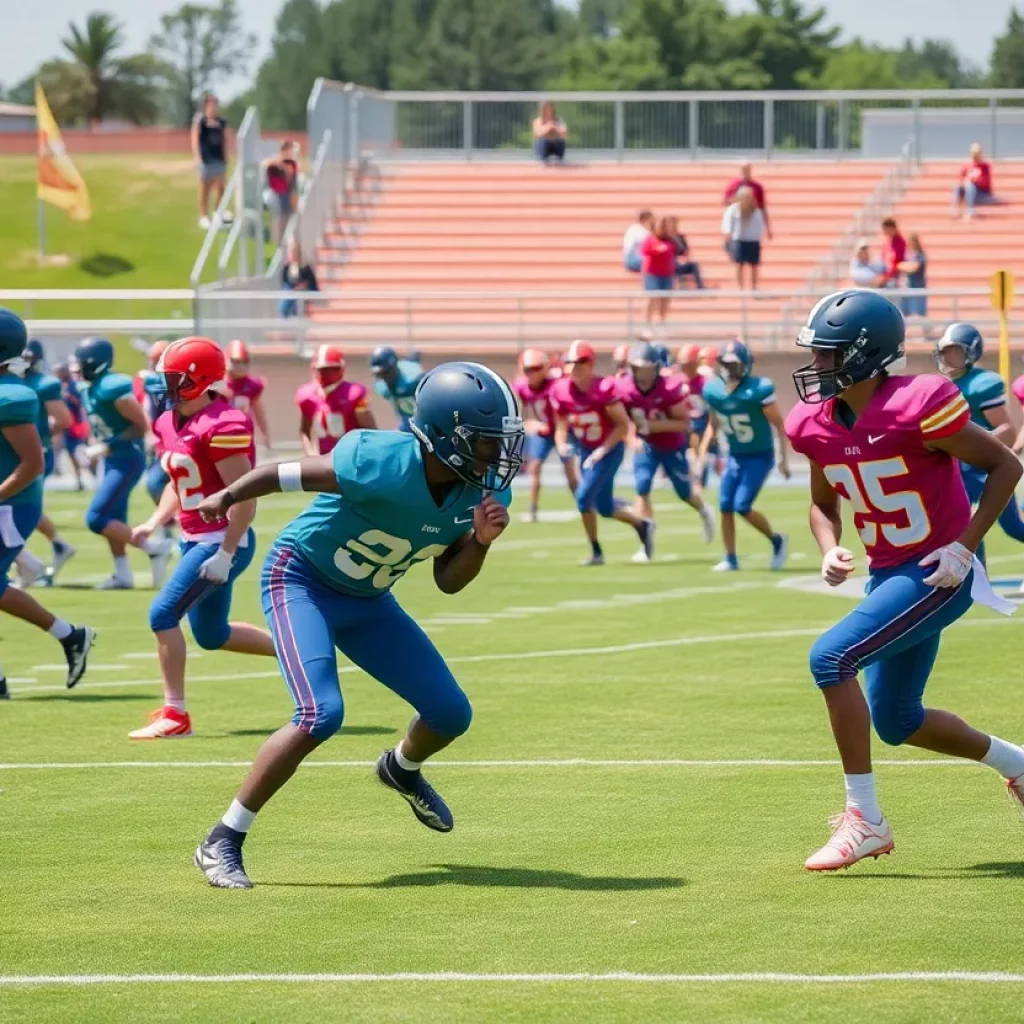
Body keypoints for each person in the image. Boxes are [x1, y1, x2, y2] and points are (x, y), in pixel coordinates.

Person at [192, 362, 524, 889]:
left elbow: (449, 581)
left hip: (368, 598)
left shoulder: (482, 496)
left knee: (450, 713)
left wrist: (480, 542)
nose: (497, 456)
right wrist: (228, 497)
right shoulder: (382, 459)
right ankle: (224, 837)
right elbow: (285, 474)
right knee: (320, 714)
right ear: (441, 436)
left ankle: (401, 768)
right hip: (299, 579)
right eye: (484, 442)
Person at [785, 289, 1024, 872]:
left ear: (865, 356)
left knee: (830, 658)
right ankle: (1018, 764)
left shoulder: (920, 402)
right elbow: (822, 503)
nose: (816, 367)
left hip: (939, 572)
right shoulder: (813, 423)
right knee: (897, 720)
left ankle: (864, 819)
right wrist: (830, 546)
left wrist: (965, 548)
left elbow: (1005, 464)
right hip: (891, 574)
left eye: (828, 354)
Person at [129, 337, 276, 740]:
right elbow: (179, 483)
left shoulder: (222, 423)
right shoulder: (167, 421)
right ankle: (298, 653)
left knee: (162, 615)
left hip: (222, 539)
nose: (164, 386)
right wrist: (155, 521)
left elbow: (244, 497)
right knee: (212, 635)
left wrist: (227, 552)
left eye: (173, 378)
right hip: (195, 539)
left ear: (197, 380)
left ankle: (176, 716)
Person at [0, 311, 94, 699]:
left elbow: (33, 463)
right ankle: (69, 636)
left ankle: (70, 635)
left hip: (12, 504)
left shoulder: (12, 395)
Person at [76, 337, 174, 590]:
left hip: (127, 459)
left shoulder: (113, 386)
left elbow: (141, 425)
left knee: (96, 518)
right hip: (111, 459)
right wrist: (93, 445)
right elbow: (99, 425)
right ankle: (123, 574)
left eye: (82, 363)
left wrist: (107, 445)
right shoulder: (89, 388)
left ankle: (154, 548)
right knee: (114, 517)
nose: (78, 368)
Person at [551, 340, 654, 566]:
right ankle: (642, 524)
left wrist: (601, 451)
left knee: (583, 498)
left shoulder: (604, 389)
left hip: (609, 448)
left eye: (580, 362)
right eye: (570, 362)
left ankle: (596, 551)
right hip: (587, 448)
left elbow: (622, 425)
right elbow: (560, 425)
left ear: (591, 364)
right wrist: (561, 445)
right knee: (605, 508)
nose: (575, 367)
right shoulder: (560, 390)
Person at [934, 322, 1024, 565]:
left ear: (971, 352)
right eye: (946, 351)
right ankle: (974, 577)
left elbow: (1006, 430)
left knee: (1014, 527)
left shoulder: (981, 385)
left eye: (955, 351)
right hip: (958, 469)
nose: (949, 357)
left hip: (985, 469)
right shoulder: (941, 384)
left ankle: (974, 575)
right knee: (963, 523)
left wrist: (975, 447)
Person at [618, 341, 715, 560]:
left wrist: (653, 426)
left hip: (672, 444)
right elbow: (622, 420)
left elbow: (684, 424)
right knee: (642, 487)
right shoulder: (624, 387)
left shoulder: (670, 387)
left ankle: (704, 510)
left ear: (655, 367)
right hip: (646, 444)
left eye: (647, 368)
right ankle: (646, 538)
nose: (643, 374)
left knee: (684, 492)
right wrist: (632, 437)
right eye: (638, 368)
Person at [699, 340, 790, 572]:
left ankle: (776, 539)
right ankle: (730, 558)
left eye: (735, 364)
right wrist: (702, 452)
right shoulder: (713, 389)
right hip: (735, 455)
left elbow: (780, 426)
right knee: (725, 506)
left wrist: (783, 459)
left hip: (759, 455)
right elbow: (713, 423)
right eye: (726, 364)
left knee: (742, 505)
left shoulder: (758, 389)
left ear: (746, 365)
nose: (730, 369)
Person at [14, 339, 74, 587]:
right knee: (19, 507)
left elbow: (63, 419)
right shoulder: (17, 382)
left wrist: (40, 434)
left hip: (32, 454)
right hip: (15, 452)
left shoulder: (42, 384)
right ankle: (56, 547)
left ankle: (28, 563)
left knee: (14, 507)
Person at [512, 348, 578, 523]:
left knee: (570, 471)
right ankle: (533, 507)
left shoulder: (555, 386)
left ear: (544, 368)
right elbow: (524, 410)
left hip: (561, 430)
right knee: (535, 468)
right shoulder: (521, 386)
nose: (531, 374)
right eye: (528, 369)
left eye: (535, 368)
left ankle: (582, 504)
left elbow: (563, 413)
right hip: (543, 432)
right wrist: (530, 422)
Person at [296, 345, 375, 456]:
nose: (326, 374)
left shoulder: (354, 394)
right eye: (322, 369)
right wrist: (312, 455)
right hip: (324, 458)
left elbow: (370, 432)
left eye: (331, 369)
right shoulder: (307, 396)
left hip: (352, 456)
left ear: (340, 369)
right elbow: (305, 432)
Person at [134, 340, 173, 515]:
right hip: (160, 442)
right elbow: (146, 409)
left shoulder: (181, 381)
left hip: (182, 441)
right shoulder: (149, 382)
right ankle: (167, 521)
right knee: (154, 484)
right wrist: (150, 433)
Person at [191, 94, 231, 231]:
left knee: (220, 187)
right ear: (206, 105)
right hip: (206, 158)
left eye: (215, 104)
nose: (214, 106)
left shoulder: (221, 122)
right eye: (211, 104)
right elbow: (195, 138)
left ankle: (217, 212)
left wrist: (226, 154)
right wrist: (197, 156)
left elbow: (225, 139)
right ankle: (203, 216)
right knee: (205, 188)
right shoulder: (201, 120)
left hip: (219, 158)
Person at [224, 340, 272, 450]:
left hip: (243, 434)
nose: (240, 366)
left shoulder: (251, 385)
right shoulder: (217, 383)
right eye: (236, 362)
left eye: (244, 362)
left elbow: (258, 412)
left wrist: (265, 435)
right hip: (220, 434)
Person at [721, 187, 767, 291]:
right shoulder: (733, 209)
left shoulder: (756, 211)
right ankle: (740, 288)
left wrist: (758, 237)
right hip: (739, 240)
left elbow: (760, 225)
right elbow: (728, 225)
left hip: (753, 240)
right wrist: (728, 238)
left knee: (754, 265)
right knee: (739, 265)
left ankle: (754, 287)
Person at [370, 346, 424, 432]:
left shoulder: (413, 379)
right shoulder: (381, 386)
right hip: (407, 423)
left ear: (393, 366)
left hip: (425, 422)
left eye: (386, 372)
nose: (384, 377)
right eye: (379, 374)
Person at [54, 360, 88, 491]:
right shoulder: (58, 386)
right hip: (62, 426)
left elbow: (81, 406)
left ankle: (86, 476)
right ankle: (76, 478)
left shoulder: (75, 386)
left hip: (75, 425)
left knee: (77, 453)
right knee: (63, 451)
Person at [640, 217, 677, 326]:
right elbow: (645, 251)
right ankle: (647, 323)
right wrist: (656, 250)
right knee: (651, 298)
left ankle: (662, 321)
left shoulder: (670, 240)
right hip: (653, 274)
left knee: (665, 299)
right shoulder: (650, 239)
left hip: (667, 273)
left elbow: (677, 250)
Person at [264, 140, 299, 244]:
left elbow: (293, 180)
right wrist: (280, 163)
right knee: (280, 220)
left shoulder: (292, 163)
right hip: (278, 194)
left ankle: (285, 243)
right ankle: (279, 243)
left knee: (288, 220)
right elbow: (266, 165)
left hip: (288, 195)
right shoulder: (276, 163)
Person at [723, 164, 771, 240]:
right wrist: (738, 198)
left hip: (752, 218)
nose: (746, 172)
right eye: (744, 170)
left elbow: (762, 207)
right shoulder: (733, 185)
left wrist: (768, 228)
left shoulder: (756, 187)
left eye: (747, 170)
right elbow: (726, 202)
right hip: (738, 217)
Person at [952, 143, 995, 221]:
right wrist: (963, 183)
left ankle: (970, 210)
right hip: (968, 191)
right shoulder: (967, 165)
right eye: (974, 153)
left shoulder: (985, 166)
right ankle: (956, 210)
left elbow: (985, 183)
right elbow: (960, 178)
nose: (975, 156)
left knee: (970, 185)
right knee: (957, 186)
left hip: (981, 193)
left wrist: (972, 181)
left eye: (977, 153)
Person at [279, 240, 318, 319]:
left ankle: (287, 314)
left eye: (293, 252)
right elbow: (284, 281)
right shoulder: (287, 268)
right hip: (292, 290)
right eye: (290, 252)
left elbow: (312, 282)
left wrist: (303, 285)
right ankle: (285, 314)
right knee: (288, 292)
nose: (291, 255)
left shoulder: (305, 267)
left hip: (305, 290)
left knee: (292, 294)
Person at [666, 216, 704, 290]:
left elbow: (685, 251)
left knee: (694, 265)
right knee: (674, 264)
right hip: (670, 262)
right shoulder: (666, 238)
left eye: (675, 224)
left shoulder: (680, 236)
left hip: (682, 261)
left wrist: (684, 259)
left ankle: (700, 287)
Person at [898, 234, 928, 318]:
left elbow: (913, 268)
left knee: (920, 311)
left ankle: (925, 329)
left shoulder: (920, 255)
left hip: (918, 285)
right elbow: (901, 265)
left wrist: (904, 266)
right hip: (908, 285)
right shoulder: (908, 256)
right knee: (904, 311)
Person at [878, 218, 906, 290]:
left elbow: (898, 261)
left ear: (891, 228)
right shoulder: (888, 242)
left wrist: (888, 276)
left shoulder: (900, 242)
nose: (884, 232)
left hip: (895, 278)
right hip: (887, 277)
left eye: (885, 229)